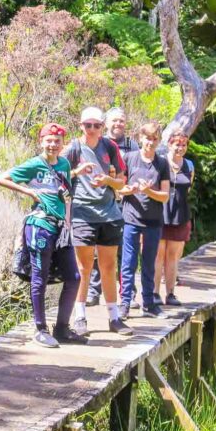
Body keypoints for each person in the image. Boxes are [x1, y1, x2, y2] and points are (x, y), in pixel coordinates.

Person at [0, 123, 87, 348]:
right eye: (49, 140)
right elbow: (1, 178)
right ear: (41, 141)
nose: (53, 144)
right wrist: (29, 191)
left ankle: (62, 328)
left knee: (73, 277)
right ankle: (40, 329)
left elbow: (64, 193)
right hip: (39, 225)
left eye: (57, 141)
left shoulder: (64, 164)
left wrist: (68, 223)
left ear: (62, 143)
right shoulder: (34, 164)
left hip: (60, 228)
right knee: (40, 276)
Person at [63, 107, 131, 336]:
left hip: (110, 214)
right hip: (82, 213)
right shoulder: (73, 148)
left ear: (102, 127)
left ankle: (114, 317)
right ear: (80, 125)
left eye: (96, 125)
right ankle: (80, 317)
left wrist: (108, 180)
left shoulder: (110, 147)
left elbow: (122, 183)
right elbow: (57, 173)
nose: (92, 130)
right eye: (87, 125)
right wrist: (76, 172)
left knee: (109, 266)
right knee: (83, 267)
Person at [118, 122, 171, 320]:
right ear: (141, 138)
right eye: (147, 138)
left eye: (154, 139)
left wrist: (148, 191)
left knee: (149, 262)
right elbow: (118, 188)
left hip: (153, 220)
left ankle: (148, 303)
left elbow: (164, 196)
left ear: (158, 141)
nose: (150, 142)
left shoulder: (162, 163)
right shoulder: (129, 158)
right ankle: (124, 303)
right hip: (131, 217)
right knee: (128, 262)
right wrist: (129, 190)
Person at [86, 107, 138, 307]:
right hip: (100, 203)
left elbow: (136, 172)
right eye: (114, 121)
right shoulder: (97, 143)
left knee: (126, 249)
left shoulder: (132, 146)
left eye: (122, 121)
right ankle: (93, 291)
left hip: (126, 203)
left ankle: (128, 293)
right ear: (106, 123)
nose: (118, 124)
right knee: (97, 248)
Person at [155, 131, 194, 306]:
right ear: (169, 145)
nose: (180, 147)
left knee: (173, 257)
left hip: (181, 214)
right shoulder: (161, 163)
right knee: (158, 255)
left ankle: (170, 293)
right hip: (160, 214)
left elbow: (189, 188)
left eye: (184, 144)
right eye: (177, 144)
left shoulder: (190, 165)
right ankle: (154, 293)